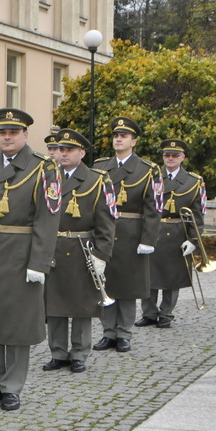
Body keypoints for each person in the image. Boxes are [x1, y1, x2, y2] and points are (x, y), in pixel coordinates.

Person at [0, 108, 60, 411]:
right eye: (2, 132)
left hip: (21, 253)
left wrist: (39, 263)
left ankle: (12, 386)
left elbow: (48, 217)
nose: (6, 137)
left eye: (13, 132)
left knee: (18, 324)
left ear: (25, 135)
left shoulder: (44, 167)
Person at [41, 130, 116, 373]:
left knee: (82, 306)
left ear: (82, 153)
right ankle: (58, 352)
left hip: (83, 248)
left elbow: (106, 222)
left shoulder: (97, 180)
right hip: (53, 247)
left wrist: (102, 255)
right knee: (54, 305)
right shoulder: (48, 177)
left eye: (69, 149)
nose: (63, 153)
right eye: (61, 149)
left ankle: (79, 352)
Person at [93, 117, 161, 353]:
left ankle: (124, 333)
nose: (118, 139)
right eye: (115, 135)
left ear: (134, 141)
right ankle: (108, 332)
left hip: (132, 234)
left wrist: (148, 239)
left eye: (123, 136)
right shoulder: (101, 167)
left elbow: (154, 207)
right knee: (105, 284)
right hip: (105, 232)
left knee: (128, 287)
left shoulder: (148, 170)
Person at [139, 139, 206, 328]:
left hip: (177, 233)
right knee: (149, 275)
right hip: (153, 230)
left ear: (182, 158)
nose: (170, 158)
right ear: (163, 157)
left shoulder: (194, 181)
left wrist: (193, 239)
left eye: (175, 155)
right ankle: (149, 313)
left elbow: (197, 214)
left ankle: (166, 313)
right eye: (167, 155)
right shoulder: (151, 177)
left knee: (172, 277)